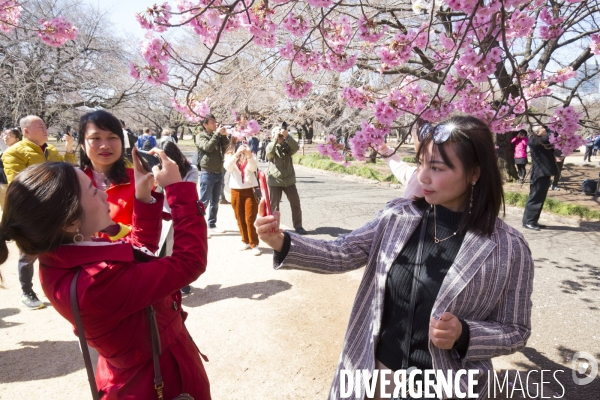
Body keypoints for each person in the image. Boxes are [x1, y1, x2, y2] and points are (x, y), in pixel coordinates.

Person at [255, 116, 534, 400]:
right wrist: (279, 240)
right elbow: (342, 252)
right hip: (378, 377)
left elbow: (516, 330)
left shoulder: (507, 247)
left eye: (436, 168)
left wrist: (464, 335)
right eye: (421, 163)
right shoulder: (397, 217)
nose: (422, 177)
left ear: (474, 173)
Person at [0, 151, 211, 399]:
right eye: (92, 190)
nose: (103, 193)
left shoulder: (62, 253)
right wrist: (178, 189)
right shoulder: (96, 283)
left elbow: (135, 254)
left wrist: (143, 197)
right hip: (157, 378)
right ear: (70, 222)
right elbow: (188, 262)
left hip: (141, 367)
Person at [2, 115, 76, 309]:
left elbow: (69, 171)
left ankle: (64, 288)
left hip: (58, 209)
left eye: (45, 126)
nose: (45, 129)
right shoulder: (13, 153)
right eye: (40, 126)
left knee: (61, 248)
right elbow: (18, 184)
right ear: (26, 131)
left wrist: (69, 150)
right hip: (32, 212)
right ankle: (27, 291)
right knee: (29, 253)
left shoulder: (51, 149)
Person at [78, 110, 135, 240]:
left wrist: (114, 229)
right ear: (82, 144)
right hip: (78, 258)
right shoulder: (72, 182)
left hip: (123, 257)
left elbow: (147, 234)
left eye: (112, 138)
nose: (104, 145)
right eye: (95, 138)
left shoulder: (139, 182)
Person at [158, 141, 199, 294]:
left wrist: (169, 178)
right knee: (165, 249)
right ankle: (170, 283)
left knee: (183, 248)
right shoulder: (158, 170)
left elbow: (186, 189)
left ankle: (183, 283)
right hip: (164, 214)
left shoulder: (191, 170)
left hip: (184, 213)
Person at [266, 126, 307, 235]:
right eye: (277, 134)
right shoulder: (271, 145)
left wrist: (287, 136)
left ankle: (298, 226)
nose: (280, 136)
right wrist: (276, 139)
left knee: (295, 203)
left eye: (280, 134)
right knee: (274, 206)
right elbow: (269, 153)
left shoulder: (287, 146)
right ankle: (274, 227)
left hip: (289, 180)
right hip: (275, 180)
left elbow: (296, 148)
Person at [224, 137, 261, 256]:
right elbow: (228, 168)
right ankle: (245, 240)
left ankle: (254, 243)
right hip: (236, 190)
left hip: (250, 189)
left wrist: (249, 155)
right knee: (239, 217)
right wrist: (236, 155)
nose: (242, 144)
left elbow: (253, 168)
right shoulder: (229, 153)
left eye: (244, 141)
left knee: (250, 218)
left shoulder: (251, 152)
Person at [196, 113, 230, 235]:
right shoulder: (200, 136)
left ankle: (211, 224)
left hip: (218, 172)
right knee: (204, 201)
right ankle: (199, 226)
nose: (215, 124)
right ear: (205, 125)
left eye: (215, 121)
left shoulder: (217, 135)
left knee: (215, 202)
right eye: (212, 122)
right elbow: (208, 147)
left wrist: (224, 136)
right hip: (207, 172)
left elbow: (226, 148)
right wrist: (217, 134)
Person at [522, 126, 558, 231]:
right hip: (539, 174)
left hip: (544, 173)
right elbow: (551, 135)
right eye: (542, 128)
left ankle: (533, 220)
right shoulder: (535, 140)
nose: (545, 129)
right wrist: (555, 124)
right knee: (535, 198)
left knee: (540, 198)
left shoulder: (540, 140)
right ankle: (528, 222)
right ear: (536, 132)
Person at [0, 128, 22, 210]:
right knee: (3, 207)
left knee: (10, 208)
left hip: (9, 183)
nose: (5, 137)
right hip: (2, 183)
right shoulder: (3, 150)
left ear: (17, 139)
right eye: (4, 134)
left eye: (9, 135)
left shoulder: (18, 151)